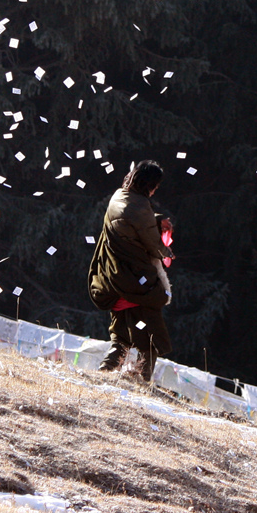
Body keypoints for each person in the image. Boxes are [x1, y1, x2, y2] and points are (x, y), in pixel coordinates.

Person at [88, 160, 174, 381]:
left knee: (121, 339)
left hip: (114, 280)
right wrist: (166, 252)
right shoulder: (139, 205)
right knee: (150, 338)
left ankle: (103, 375)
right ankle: (142, 383)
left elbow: (129, 223)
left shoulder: (119, 197)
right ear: (149, 184)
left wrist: (155, 220)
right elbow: (151, 242)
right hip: (136, 285)